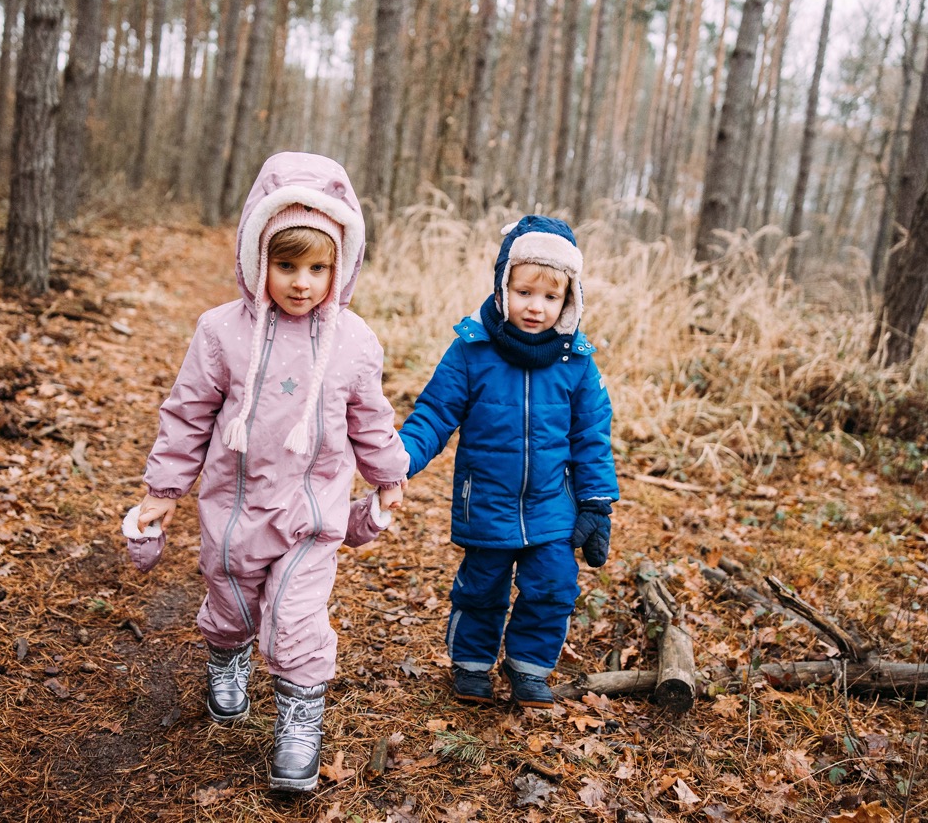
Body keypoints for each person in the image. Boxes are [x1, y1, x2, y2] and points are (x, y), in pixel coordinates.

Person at [129, 152, 408, 792]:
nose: (302, 283)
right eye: (286, 266)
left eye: (318, 268)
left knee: (296, 617)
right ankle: (226, 655)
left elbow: (370, 416)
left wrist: (388, 474)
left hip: (313, 515)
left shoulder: (354, 341)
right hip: (234, 512)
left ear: (341, 267)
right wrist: (164, 489)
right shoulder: (221, 332)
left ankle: (299, 721)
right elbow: (189, 412)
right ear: (258, 259)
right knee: (231, 600)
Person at [397, 214, 619, 708]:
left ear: (569, 299)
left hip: (553, 505)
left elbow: (591, 435)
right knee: (482, 587)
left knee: (554, 585)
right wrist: (400, 457)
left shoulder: (577, 362)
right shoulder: (472, 350)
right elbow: (435, 412)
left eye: (550, 297)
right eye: (524, 292)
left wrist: (596, 501)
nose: (536, 307)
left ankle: (528, 668)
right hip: (487, 500)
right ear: (503, 287)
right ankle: (472, 664)